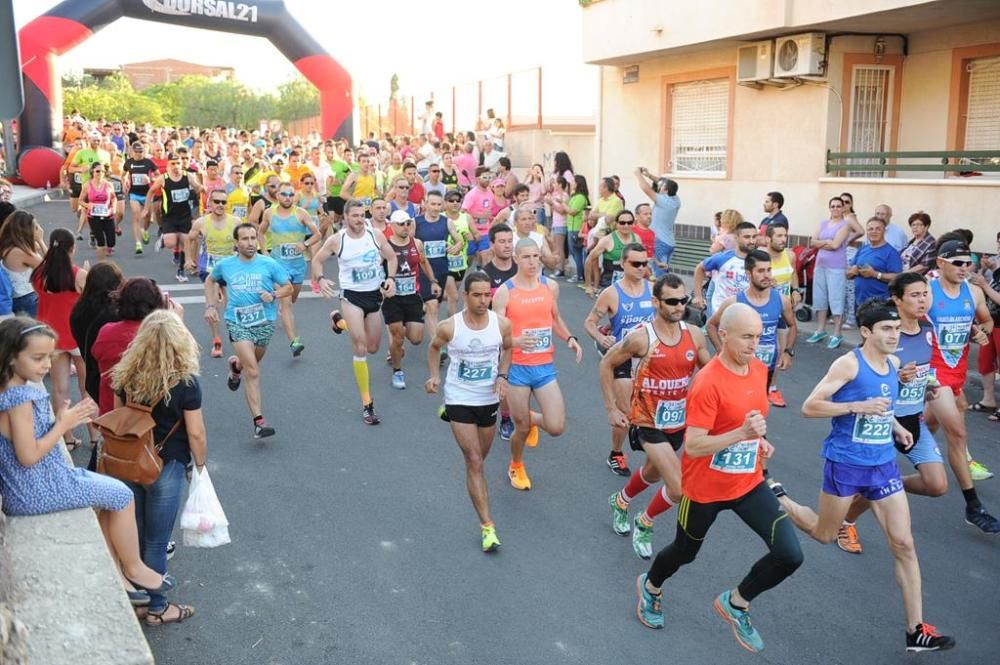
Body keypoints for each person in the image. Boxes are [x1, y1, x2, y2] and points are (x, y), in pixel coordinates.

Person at [768, 300, 956, 653]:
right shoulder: (848, 364)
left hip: (882, 464)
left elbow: (882, 403)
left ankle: (916, 630)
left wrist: (897, 427)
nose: (893, 334)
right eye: (886, 328)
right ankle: (780, 499)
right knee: (824, 534)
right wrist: (855, 406)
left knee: (904, 543)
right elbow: (810, 406)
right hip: (846, 464)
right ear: (866, 332)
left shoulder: (894, 363)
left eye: (896, 329)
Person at [634, 304, 801, 654]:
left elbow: (747, 418)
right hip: (703, 491)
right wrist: (742, 433)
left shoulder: (758, 369)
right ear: (723, 335)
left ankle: (736, 603)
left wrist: (759, 440)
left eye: (758, 336)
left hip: (747, 483)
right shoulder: (707, 381)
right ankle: (650, 586)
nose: (754, 344)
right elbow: (693, 446)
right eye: (746, 336)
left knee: (790, 554)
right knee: (685, 552)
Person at [0, 318, 175, 606]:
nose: (46, 365)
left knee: (111, 493)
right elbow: (28, 456)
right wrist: (64, 424)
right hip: (36, 489)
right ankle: (134, 568)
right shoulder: (18, 399)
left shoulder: (14, 389)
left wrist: (60, 421)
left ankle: (122, 575)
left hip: (44, 479)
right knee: (122, 495)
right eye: (37, 358)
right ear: (9, 356)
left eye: (49, 357)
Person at [833, 273, 950, 554]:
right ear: (897, 300)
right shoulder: (883, 337)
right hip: (884, 422)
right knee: (881, 486)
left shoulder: (927, 330)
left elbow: (923, 371)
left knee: (937, 485)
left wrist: (926, 386)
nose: (923, 300)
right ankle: (847, 520)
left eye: (925, 294)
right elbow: (866, 379)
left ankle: (880, 488)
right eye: (915, 295)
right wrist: (898, 379)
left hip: (915, 420)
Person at [603, 273, 711, 559]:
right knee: (679, 487)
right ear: (655, 302)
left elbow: (712, 376)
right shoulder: (641, 338)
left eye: (683, 300)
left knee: (652, 473)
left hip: (677, 422)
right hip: (645, 421)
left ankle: (621, 501)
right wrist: (612, 408)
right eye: (672, 301)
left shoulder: (694, 335)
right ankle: (645, 521)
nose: (679, 306)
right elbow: (606, 363)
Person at [111, 310, 205, 626]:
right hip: (167, 466)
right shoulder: (186, 383)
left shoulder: (124, 376)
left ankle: (138, 598)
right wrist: (199, 467)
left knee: (135, 536)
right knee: (156, 541)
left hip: (128, 464)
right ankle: (158, 606)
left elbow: (118, 421)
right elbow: (196, 432)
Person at [426, 271, 513, 552]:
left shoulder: (501, 324)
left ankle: (476, 483)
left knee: (481, 459)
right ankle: (488, 526)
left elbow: (508, 350)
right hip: (459, 398)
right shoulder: (449, 327)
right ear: (465, 296)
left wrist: (502, 376)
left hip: (487, 399)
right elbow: (434, 347)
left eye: (487, 294)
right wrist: (434, 376)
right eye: (477, 295)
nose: (483, 300)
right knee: (474, 460)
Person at [492, 239, 583, 490]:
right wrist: (516, 340)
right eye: (527, 257)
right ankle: (516, 465)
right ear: (516, 259)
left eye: (536, 256)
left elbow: (554, 318)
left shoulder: (550, 287)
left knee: (556, 427)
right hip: (516, 368)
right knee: (519, 427)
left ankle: (531, 419)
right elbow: (496, 334)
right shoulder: (505, 292)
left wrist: (570, 338)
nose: (532, 262)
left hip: (544, 366)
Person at [922, 239, 1000, 529]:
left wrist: (980, 332)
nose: (965, 268)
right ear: (941, 263)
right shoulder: (927, 293)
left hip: (957, 373)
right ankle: (973, 507)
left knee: (929, 425)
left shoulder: (975, 292)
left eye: (969, 263)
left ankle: (900, 448)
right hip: (932, 374)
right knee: (957, 433)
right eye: (958, 263)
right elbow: (907, 323)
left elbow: (988, 322)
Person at [310, 200, 399, 425]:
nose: (359, 219)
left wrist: (390, 278)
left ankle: (340, 324)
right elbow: (317, 260)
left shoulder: (375, 236)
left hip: (374, 295)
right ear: (346, 217)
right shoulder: (337, 240)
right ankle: (367, 404)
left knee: (373, 347)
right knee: (359, 346)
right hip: (351, 296)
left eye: (362, 215)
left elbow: (392, 257)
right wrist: (320, 278)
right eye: (355, 215)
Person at [204, 223, 293, 438]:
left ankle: (235, 367)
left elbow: (288, 287)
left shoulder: (269, 264)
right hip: (237, 321)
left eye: (253, 238)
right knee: (252, 371)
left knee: (251, 362)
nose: (250, 242)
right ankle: (259, 422)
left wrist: (274, 296)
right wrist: (210, 306)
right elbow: (210, 279)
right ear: (236, 243)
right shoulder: (226, 265)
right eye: (245, 239)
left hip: (264, 322)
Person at [584, 242, 656, 475]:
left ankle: (654, 449)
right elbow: (589, 322)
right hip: (622, 357)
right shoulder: (611, 294)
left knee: (654, 407)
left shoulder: (653, 289)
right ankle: (616, 453)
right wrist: (600, 337)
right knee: (626, 409)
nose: (641, 268)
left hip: (649, 357)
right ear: (623, 264)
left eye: (644, 264)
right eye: (636, 264)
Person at [707, 250, 797, 414]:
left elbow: (792, 325)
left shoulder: (782, 300)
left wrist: (788, 352)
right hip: (738, 369)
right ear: (749, 273)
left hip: (765, 369)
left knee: (759, 413)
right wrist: (722, 351)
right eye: (760, 271)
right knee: (735, 413)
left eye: (769, 270)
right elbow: (711, 325)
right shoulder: (734, 302)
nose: (766, 275)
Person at [32, 229, 88, 448]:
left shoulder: (39, 275)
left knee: (59, 389)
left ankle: (68, 438)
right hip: (77, 336)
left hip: (51, 339)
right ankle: (95, 435)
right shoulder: (78, 275)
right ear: (72, 248)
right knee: (87, 388)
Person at [92, 278, 173, 416]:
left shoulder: (107, 332)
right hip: (154, 412)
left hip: (112, 414)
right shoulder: (161, 334)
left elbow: (97, 354)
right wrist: (176, 322)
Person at [258, 182, 321, 356]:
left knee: (292, 299)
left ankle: (283, 310)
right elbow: (260, 232)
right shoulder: (269, 213)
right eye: (284, 194)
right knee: (286, 302)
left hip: (298, 265)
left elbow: (318, 234)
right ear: (277, 195)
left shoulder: (301, 213)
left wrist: (305, 244)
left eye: (291, 195)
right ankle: (294, 341)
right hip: (278, 265)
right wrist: (264, 252)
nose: (287, 198)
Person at [383, 209, 441, 389]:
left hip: (413, 297)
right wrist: (382, 286)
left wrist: (432, 281)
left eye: (408, 223)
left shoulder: (417, 243)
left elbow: (423, 262)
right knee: (397, 337)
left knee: (416, 339)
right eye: (401, 224)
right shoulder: (385, 246)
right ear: (392, 226)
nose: (405, 227)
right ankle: (397, 371)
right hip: (393, 298)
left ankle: (398, 346)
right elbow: (377, 268)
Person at [185, 190, 239, 358]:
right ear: (210, 204)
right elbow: (189, 238)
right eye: (217, 201)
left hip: (230, 268)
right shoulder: (201, 222)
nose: (220, 205)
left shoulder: (236, 222)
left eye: (224, 202)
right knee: (212, 304)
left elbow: (244, 241)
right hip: (209, 268)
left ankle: (234, 332)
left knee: (231, 304)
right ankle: (216, 339)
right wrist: (188, 259)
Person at [144, 152, 204, 282]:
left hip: (184, 215)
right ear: (168, 165)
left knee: (185, 241)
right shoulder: (163, 179)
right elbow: (151, 192)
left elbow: (197, 187)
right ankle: (163, 239)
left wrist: (201, 188)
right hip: (169, 216)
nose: (176, 166)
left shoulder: (187, 176)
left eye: (178, 163)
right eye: (173, 164)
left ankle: (181, 271)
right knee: (171, 242)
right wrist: (146, 209)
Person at [415, 191, 465, 336]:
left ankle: (423, 310)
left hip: (442, 269)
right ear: (425, 203)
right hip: (423, 270)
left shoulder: (446, 222)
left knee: (437, 302)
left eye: (438, 204)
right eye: (432, 204)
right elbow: (409, 242)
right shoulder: (416, 222)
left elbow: (459, 241)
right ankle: (436, 343)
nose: (436, 208)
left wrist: (456, 247)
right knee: (433, 306)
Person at [806, 196, 851, 349]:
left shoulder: (845, 225)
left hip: (836, 267)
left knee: (836, 299)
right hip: (821, 265)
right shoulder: (823, 223)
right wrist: (826, 243)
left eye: (839, 206)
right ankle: (820, 330)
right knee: (820, 297)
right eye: (833, 206)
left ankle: (837, 333)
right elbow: (812, 242)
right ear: (829, 208)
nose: (836, 209)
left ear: (843, 208)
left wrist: (821, 243)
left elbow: (836, 245)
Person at [764, 224, 799, 406]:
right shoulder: (762, 258)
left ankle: (773, 388)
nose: (783, 239)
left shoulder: (790, 255)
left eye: (784, 236)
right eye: (778, 236)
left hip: (784, 310)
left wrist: (796, 290)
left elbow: (793, 274)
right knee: (761, 350)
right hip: (765, 309)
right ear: (768, 238)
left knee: (779, 350)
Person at [692, 221, 757, 317]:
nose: (752, 241)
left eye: (754, 237)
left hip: (746, 315)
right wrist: (698, 296)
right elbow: (700, 268)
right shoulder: (722, 258)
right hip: (721, 315)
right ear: (736, 238)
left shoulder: (758, 259)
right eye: (747, 237)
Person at [847, 216, 903, 317]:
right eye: (870, 229)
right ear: (867, 232)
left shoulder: (891, 253)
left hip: (881, 304)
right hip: (860, 302)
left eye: (878, 229)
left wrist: (874, 274)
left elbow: (897, 278)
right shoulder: (863, 249)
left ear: (884, 231)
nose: (874, 231)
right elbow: (848, 274)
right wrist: (852, 271)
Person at [634, 168, 679, 278]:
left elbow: (646, 189)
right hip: (669, 242)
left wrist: (638, 174)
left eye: (662, 186)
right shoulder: (676, 199)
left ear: (666, 191)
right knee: (664, 270)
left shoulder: (663, 200)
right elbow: (663, 182)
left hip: (660, 242)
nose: (660, 186)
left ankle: (659, 294)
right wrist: (648, 175)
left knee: (658, 273)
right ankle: (665, 292)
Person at [0, 210, 46, 317]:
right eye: (35, 227)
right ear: (26, 230)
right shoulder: (20, 252)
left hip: (20, 299)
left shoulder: (9, 247)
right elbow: (51, 266)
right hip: (27, 300)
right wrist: (40, 240)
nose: (38, 230)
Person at [585, 209, 641, 295]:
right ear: (616, 223)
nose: (626, 225)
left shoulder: (637, 239)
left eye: (629, 222)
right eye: (622, 223)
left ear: (633, 223)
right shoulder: (607, 240)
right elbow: (589, 259)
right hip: (610, 282)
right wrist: (588, 286)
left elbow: (641, 261)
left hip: (630, 282)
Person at [123, 142, 158, 253]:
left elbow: (159, 175)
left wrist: (151, 180)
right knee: (136, 215)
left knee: (148, 218)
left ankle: (144, 230)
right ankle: (138, 244)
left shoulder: (149, 162)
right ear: (133, 152)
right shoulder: (129, 162)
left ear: (144, 151)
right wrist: (124, 183)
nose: (138, 154)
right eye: (136, 152)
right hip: (134, 193)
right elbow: (123, 174)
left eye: (141, 152)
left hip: (147, 194)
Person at [461, 167, 500, 265]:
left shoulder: (490, 193)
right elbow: (463, 212)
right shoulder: (472, 194)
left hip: (485, 232)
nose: (487, 180)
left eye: (489, 177)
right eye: (485, 177)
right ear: (478, 179)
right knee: (468, 261)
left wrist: (492, 218)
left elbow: (487, 212)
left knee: (486, 258)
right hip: (471, 232)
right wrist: (479, 215)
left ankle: (484, 277)